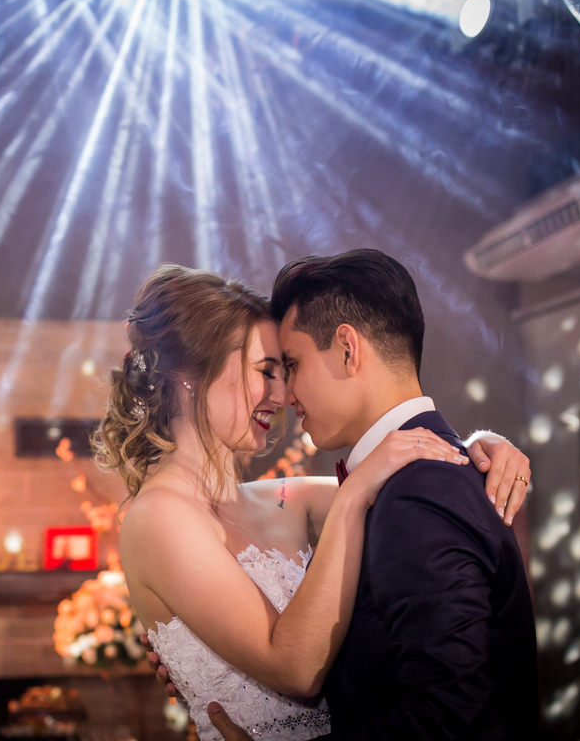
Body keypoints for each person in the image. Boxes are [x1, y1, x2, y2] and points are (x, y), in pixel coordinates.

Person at [95, 260, 533, 741]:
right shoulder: (158, 517)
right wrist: (354, 496)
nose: (282, 394)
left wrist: (480, 447)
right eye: (267, 371)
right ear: (191, 376)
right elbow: (296, 669)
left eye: (287, 369)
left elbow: (417, 488)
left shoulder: (289, 499)